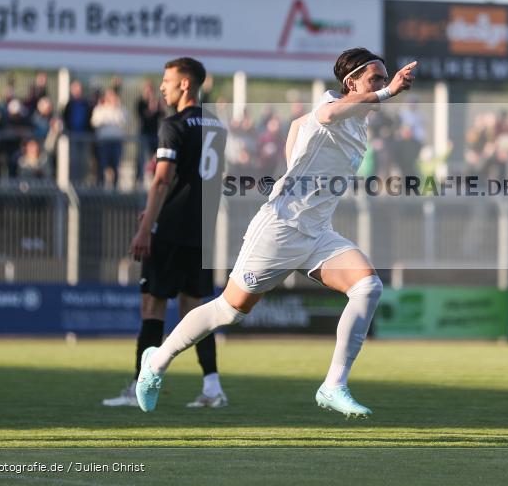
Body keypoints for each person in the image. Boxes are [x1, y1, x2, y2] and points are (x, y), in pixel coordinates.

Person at [134, 48, 417, 417]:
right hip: (280, 229)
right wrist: (388, 92)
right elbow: (324, 115)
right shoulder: (333, 107)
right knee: (228, 311)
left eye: (384, 78)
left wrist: (293, 165)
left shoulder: (357, 120)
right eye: (375, 78)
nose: (382, 83)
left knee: (368, 286)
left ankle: (333, 385)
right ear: (351, 83)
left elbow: (299, 125)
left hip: (317, 233)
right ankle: (155, 363)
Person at [102, 57, 228, 409]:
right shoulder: (218, 125)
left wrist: (146, 228)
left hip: (170, 229)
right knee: (196, 311)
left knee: (152, 306)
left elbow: (163, 179)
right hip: (201, 230)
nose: (162, 86)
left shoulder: (173, 125)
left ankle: (137, 387)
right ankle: (212, 388)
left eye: (166, 79)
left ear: (185, 84)